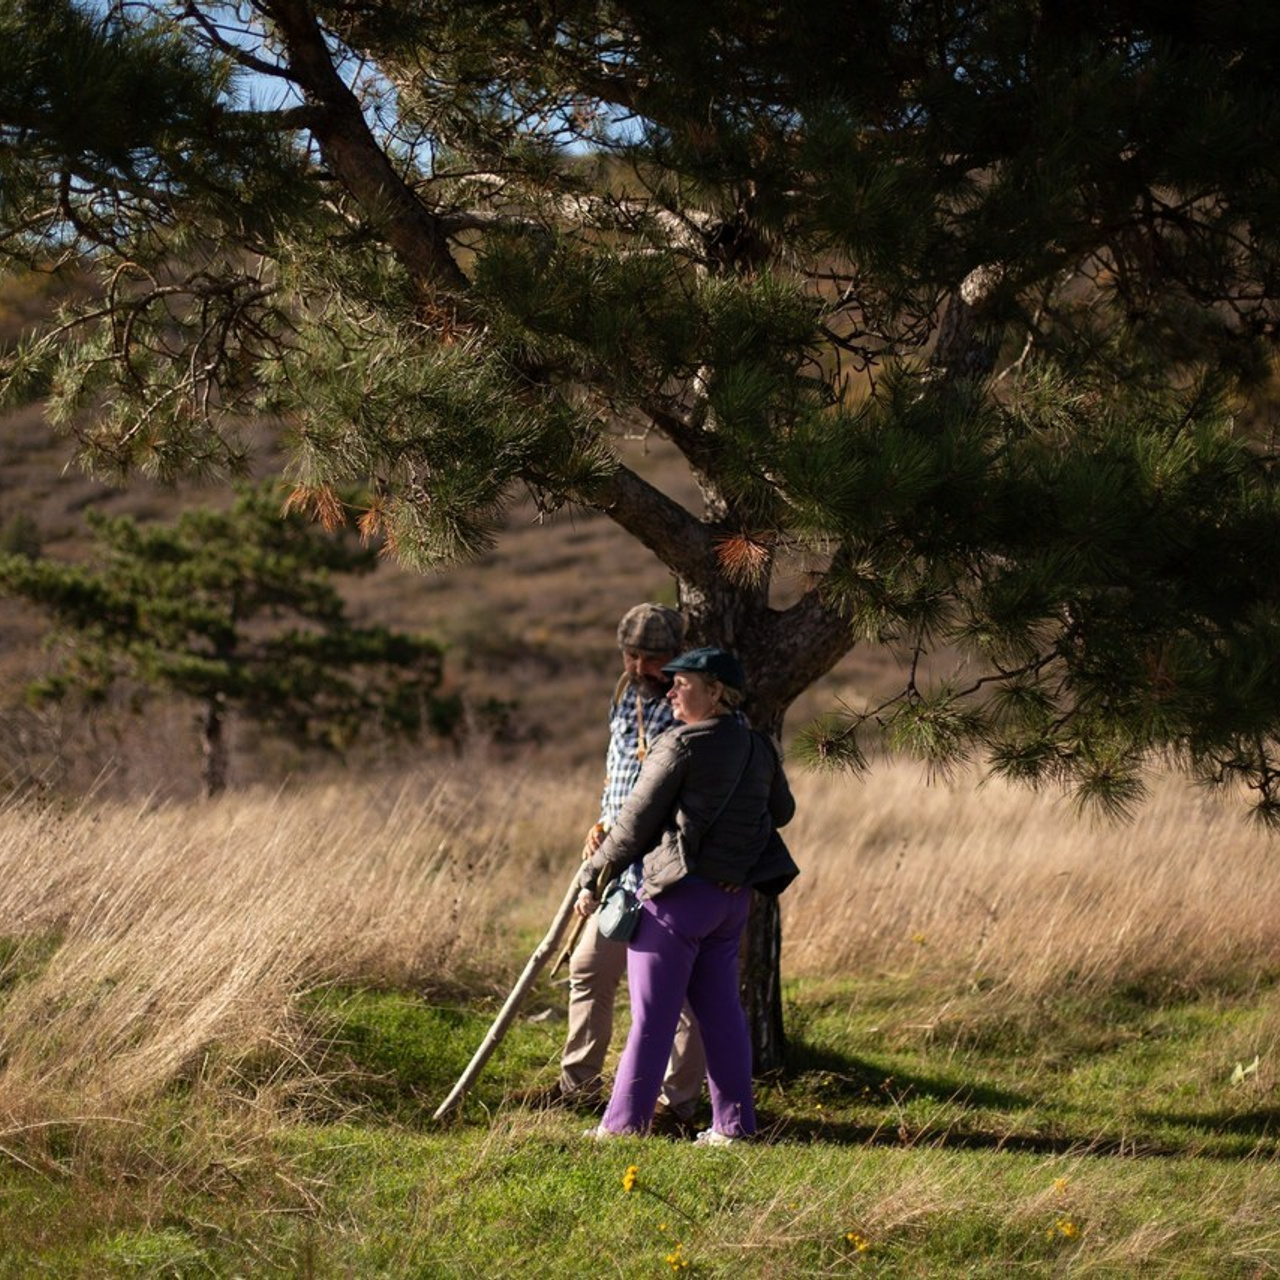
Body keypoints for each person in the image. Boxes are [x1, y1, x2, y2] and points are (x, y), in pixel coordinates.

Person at [575, 646, 797, 1144]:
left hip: (675, 903)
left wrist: (591, 877)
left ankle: (623, 1127)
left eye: (683, 684)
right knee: (722, 1017)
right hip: (730, 904)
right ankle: (733, 1128)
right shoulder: (759, 747)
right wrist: (734, 860)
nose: (671, 692)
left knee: (652, 1020)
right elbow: (781, 811)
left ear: (715, 691)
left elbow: (632, 826)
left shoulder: (678, 745)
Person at [548, 603, 706, 1124]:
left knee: (678, 992)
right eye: (631, 655)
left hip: (667, 871)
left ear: (676, 654)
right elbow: (617, 777)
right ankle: (578, 1089)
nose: (639, 667)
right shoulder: (624, 699)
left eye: (651, 658)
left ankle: (677, 1105)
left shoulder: (692, 706)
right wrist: (601, 822)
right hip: (616, 869)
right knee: (589, 969)